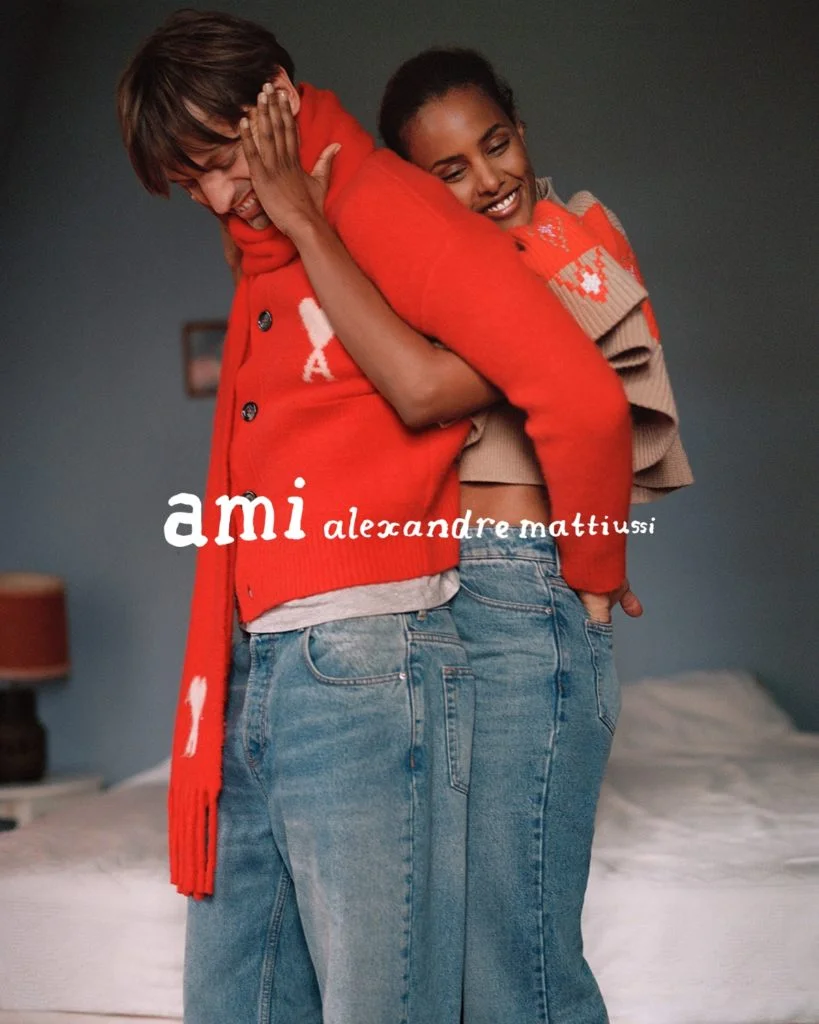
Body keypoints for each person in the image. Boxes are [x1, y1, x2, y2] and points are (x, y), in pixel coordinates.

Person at [116, 12, 633, 1024]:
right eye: (191, 183)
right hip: (289, 642)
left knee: (471, 978)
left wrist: (593, 568)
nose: (216, 196)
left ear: (275, 99)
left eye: (219, 162)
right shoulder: (270, 240)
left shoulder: (373, 202)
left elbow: (571, 395)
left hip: (400, 631)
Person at [225, 46, 692, 1024]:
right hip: (427, 606)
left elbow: (440, 389)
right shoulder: (421, 258)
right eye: (448, 171)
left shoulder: (574, 238)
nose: (487, 180)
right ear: (412, 187)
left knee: (514, 961)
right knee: (452, 962)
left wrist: (591, 564)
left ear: (521, 129)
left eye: (496, 144)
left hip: (520, 592)